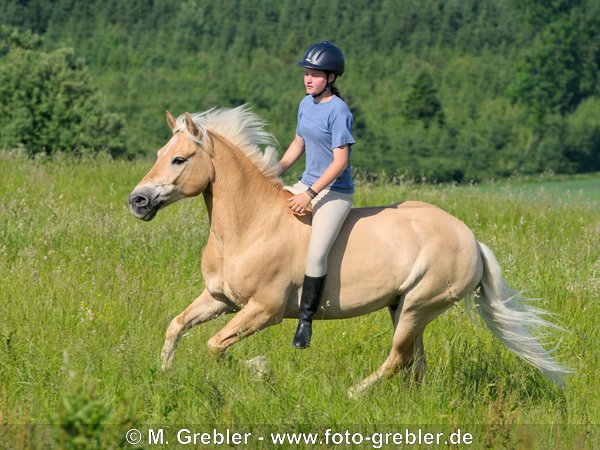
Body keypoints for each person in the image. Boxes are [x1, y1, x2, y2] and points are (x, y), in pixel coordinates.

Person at [279, 41, 356, 349]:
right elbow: (298, 142)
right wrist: (276, 169)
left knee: (316, 252)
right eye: (306, 73)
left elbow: (341, 162)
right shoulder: (305, 103)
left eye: (315, 74)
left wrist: (310, 194)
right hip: (305, 183)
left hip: (334, 193)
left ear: (331, 78)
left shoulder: (338, 111)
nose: (308, 79)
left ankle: (305, 319)